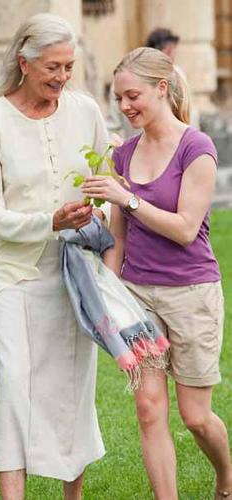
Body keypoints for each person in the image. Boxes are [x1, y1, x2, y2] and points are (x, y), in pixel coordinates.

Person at [82, 47, 232, 500]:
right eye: (119, 98)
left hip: (192, 293)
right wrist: (110, 294)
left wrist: (125, 198)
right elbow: (119, 236)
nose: (125, 107)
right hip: (138, 297)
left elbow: (186, 229)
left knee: (195, 416)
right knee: (149, 409)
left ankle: (226, 478)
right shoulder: (123, 154)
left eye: (133, 96)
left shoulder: (196, 147)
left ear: (161, 89)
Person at [0, 13, 108, 500]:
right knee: (13, 383)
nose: (62, 77)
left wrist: (99, 214)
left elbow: (104, 181)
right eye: (53, 67)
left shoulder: (87, 111)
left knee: (73, 387)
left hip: (76, 273)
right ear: (23, 61)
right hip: (14, 274)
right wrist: (50, 221)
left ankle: (73, 496)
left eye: (69, 66)